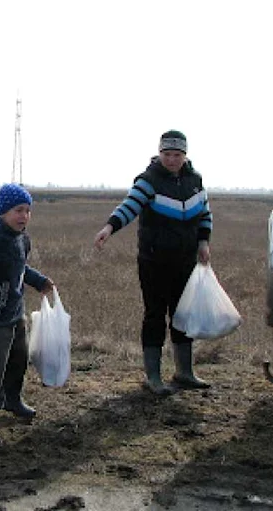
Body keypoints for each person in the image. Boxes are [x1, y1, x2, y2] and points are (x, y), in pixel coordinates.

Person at [93, 130, 212, 396]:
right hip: (154, 261)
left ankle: (184, 372)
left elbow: (205, 213)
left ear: (185, 155)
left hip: (185, 261)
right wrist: (109, 228)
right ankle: (154, 377)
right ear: (159, 154)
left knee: (182, 316)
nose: (171, 160)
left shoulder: (195, 180)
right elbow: (129, 206)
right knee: (155, 315)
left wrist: (203, 243)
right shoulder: (148, 181)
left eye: (177, 155)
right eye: (167, 154)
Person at [0, 183, 54, 447]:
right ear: (2, 212)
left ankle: (13, 399)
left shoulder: (23, 240)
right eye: (18, 210)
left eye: (28, 210)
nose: (24, 216)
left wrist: (39, 281)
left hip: (15, 314)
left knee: (19, 359)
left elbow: (21, 268)